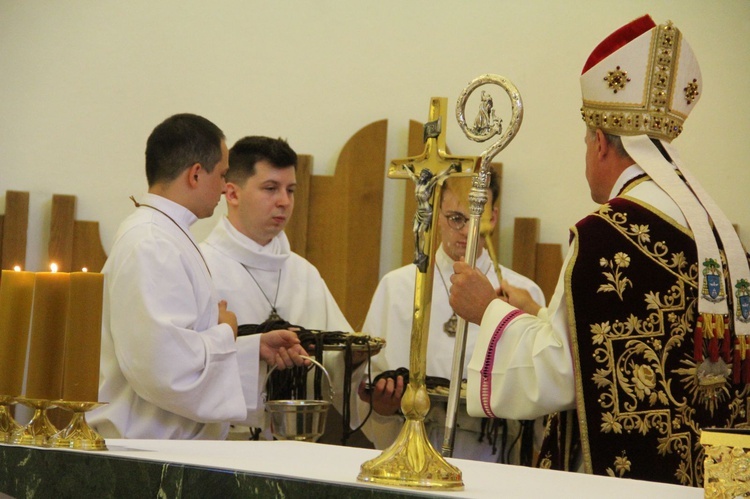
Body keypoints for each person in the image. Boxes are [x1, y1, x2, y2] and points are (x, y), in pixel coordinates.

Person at [449, 15, 750, 486]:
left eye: (586, 139)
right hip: (719, 483)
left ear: (604, 144)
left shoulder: (604, 237)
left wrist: (487, 310)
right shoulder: (722, 239)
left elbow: (556, 374)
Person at [90, 114, 308, 440]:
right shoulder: (152, 242)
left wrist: (251, 349)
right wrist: (226, 330)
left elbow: (175, 348)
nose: (224, 187)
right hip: (148, 450)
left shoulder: (166, 235)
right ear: (195, 174)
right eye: (221, 175)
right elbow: (164, 370)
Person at [358, 168, 546, 463]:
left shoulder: (523, 292)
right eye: (456, 218)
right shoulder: (398, 287)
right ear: (436, 215)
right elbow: (369, 385)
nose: (467, 230)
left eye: (478, 217)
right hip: (410, 454)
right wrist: (381, 406)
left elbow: (537, 395)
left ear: (493, 217)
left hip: (492, 458)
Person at [200, 136, 370, 443]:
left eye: (290, 190)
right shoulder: (201, 266)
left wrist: (353, 359)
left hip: (297, 442)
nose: (284, 201)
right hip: (224, 441)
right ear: (232, 193)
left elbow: (334, 367)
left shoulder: (303, 272)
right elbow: (188, 363)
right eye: (270, 188)